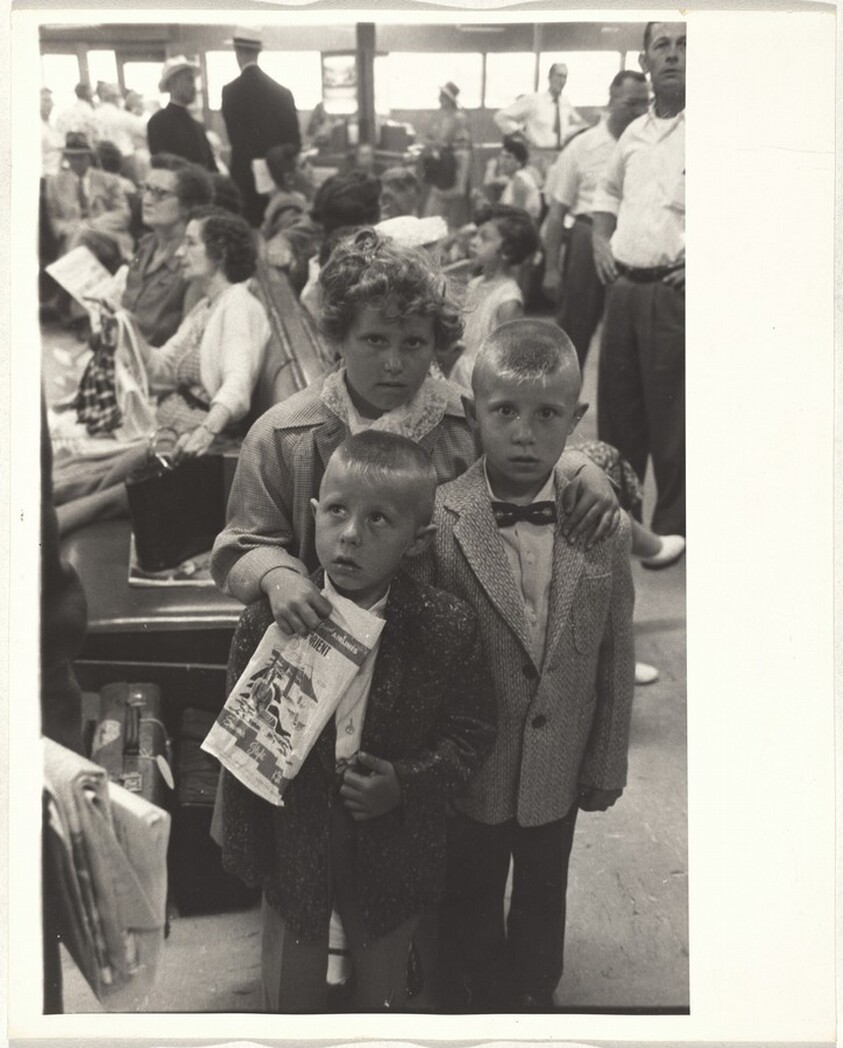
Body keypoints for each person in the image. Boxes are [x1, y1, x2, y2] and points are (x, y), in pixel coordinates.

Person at [219, 431, 497, 1011]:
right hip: (294, 834)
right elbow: (239, 745)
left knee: (388, 983)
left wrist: (406, 782)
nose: (350, 535)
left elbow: (472, 733)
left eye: (379, 521)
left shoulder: (444, 626)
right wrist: (246, 852)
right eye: (339, 512)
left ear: (417, 542)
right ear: (314, 514)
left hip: (391, 837)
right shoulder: (264, 624)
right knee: (292, 979)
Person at [210, 228, 619, 620]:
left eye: (413, 343)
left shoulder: (467, 422)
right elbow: (242, 545)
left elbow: (525, 451)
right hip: (326, 637)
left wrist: (578, 467)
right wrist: (275, 575)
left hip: (450, 644)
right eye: (374, 340)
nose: (394, 363)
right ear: (338, 338)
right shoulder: (282, 435)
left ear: (436, 343)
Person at [412, 320, 635, 1011]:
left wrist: (606, 762)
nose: (524, 433)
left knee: (545, 892)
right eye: (503, 411)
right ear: (472, 410)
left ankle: (535, 1001)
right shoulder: (442, 520)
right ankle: (469, 1003)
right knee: (468, 894)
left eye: (547, 415)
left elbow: (615, 655)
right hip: (471, 765)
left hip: (560, 766)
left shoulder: (606, 527)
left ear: (577, 418)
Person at [53, 208, 271, 532]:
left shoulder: (239, 305)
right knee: (85, 478)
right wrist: (125, 322)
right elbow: (161, 369)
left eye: (191, 243)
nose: (181, 253)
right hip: (167, 434)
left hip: (198, 447)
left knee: (93, 497)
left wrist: (205, 432)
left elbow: (236, 385)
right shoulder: (206, 306)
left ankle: (34, 533)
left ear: (220, 252)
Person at [592, 22, 686, 537]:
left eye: (684, 44)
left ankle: (674, 528)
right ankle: (622, 526)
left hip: (673, 294)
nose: (672, 55)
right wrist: (598, 241)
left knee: (673, 420)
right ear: (646, 61)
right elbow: (606, 194)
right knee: (619, 416)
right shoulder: (634, 131)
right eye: (662, 46)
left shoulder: (720, 129)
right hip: (623, 291)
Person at [542, 71, 650, 367]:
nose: (640, 111)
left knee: (624, 338)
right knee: (573, 332)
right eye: (632, 103)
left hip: (633, 242)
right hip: (586, 241)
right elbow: (556, 212)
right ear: (612, 99)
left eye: (645, 103)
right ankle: (560, 406)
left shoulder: (647, 146)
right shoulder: (581, 146)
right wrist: (551, 268)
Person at [95, 154, 213, 348]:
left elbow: (185, 346)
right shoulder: (147, 245)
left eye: (160, 193)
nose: (147, 200)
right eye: (146, 189)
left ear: (188, 206)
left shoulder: (193, 264)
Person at [449, 204, 538, 389]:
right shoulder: (475, 283)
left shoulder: (508, 300)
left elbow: (512, 359)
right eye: (475, 235)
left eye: (484, 237)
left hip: (486, 384)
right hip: (460, 375)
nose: (474, 242)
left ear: (508, 251)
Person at [221, 26, 301, 227]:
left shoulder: (230, 92)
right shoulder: (282, 92)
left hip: (243, 176)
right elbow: (295, 142)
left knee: (247, 229)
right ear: (258, 52)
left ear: (237, 52)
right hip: (277, 178)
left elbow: (235, 139)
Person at [45, 132, 133, 269]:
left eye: (81, 156)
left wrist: (91, 224)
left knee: (84, 234)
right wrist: (71, 228)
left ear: (90, 157)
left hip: (108, 237)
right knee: (82, 238)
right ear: (66, 157)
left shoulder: (108, 180)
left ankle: (66, 276)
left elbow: (123, 214)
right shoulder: (55, 183)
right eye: (72, 157)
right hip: (73, 236)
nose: (76, 161)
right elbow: (54, 219)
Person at [494, 63, 589, 170]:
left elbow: (580, 124)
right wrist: (520, 134)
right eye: (558, 75)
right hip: (537, 155)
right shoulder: (534, 100)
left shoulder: (565, 102)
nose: (561, 80)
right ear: (550, 77)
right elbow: (501, 116)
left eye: (564, 77)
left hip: (560, 156)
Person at [147, 56, 218, 172]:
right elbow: (162, 169)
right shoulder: (158, 123)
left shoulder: (198, 126)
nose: (194, 87)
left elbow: (211, 168)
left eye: (193, 81)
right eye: (189, 80)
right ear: (172, 83)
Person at [421, 82, 473, 232]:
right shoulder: (447, 117)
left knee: (453, 197)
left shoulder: (457, 117)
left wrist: (432, 141)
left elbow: (443, 140)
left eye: (442, 96)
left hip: (457, 160)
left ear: (449, 99)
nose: (439, 99)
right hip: (447, 160)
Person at [92, 83, 146, 180]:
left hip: (100, 161)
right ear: (116, 98)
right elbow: (144, 131)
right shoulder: (122, 116)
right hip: (125, 159)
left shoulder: (93, 116)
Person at [482, 135, 543, 221]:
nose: (503, 161)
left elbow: (517, 216)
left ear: (519, 162)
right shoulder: (512, 179)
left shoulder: (521, 178)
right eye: (502, 156)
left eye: (508, 157)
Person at [261, 144, 309, 240]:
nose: (310, 169)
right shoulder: (289, 211)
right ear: (289, 178)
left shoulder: (287, 201)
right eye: (303, 166)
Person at [41, 88, 65, 177]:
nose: (49, 105)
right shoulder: (34, 129)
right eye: (45, 101)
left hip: (57, 177)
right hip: (44, 177)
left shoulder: (51, 126)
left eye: (50, 101)